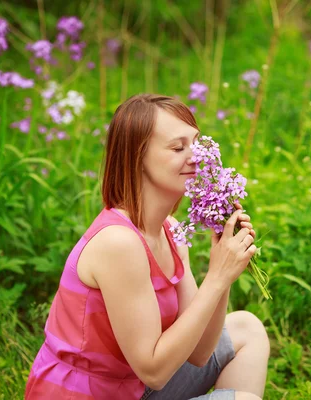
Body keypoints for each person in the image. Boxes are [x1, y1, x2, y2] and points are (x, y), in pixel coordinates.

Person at [25, 94, 270, 400]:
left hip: (131, 389)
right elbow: (153, 371)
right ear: (137, 157)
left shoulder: (168, 230)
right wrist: (217, 276)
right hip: (88, 395)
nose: (196, 156)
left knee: (247, 328)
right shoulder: (119, 243)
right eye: (178, 147)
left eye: (196, 143)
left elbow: (200, 352)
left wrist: (225, 273)